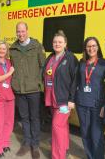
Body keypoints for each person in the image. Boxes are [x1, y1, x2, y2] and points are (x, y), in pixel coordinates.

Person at [10, 22, 46, 158]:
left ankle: (35, 145)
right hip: (19, 90)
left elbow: (43, 66)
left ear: (27, 31)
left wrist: (39, 83)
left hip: (34, 90)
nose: (20, 34)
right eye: (18, 32)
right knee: (24, 118)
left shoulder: (36, 46)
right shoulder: (13, 49)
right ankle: (26, 143)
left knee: (34, 118)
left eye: (23, 31)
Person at [43, 30, 78, 159]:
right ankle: (64, 149)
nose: (57, 44)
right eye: (55, 42)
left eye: (60, 42)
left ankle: (57, 156)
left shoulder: (70, 58)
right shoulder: (51, 57)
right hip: (51, 98)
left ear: (65, 44)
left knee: (56, 126)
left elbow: (75, 80)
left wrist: (72, 99)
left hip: (63, 100)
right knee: (62, 126)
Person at [75, 37, 105, 159]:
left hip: (97, 105)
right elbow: (76, 82)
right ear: (85, 48)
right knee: (85, 134)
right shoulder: (81, 63)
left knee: (97, 136)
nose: (91, 48)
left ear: (98, 47)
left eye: (94, 45)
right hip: (82, 104)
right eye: (89, 46)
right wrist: (71, 99)